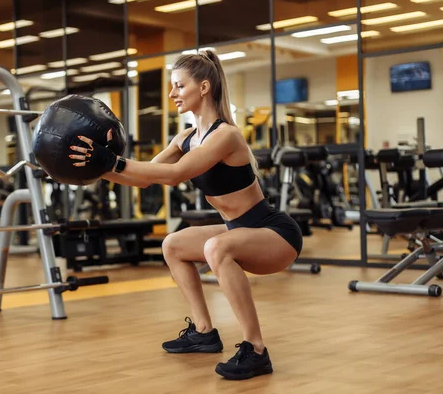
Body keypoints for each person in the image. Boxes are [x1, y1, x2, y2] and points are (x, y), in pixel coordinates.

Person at [69, 50, 303, 381]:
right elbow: (148, 176)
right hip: (237, 230)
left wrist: (110, 162)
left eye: (179, 86)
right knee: (174, 244)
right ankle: (204, 332)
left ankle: (256, 349)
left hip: (275, 235)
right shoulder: (186, 138)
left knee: (216, 248)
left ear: (204, 87)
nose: (172, 94)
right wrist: (94, 166)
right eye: (172, 87)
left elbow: (176, 174)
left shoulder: (226, 136)